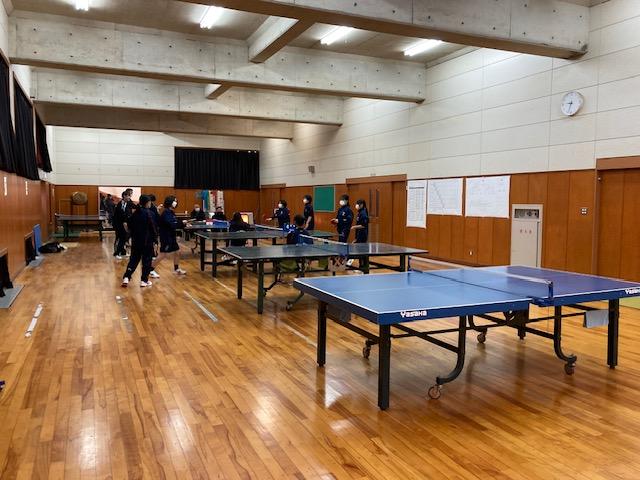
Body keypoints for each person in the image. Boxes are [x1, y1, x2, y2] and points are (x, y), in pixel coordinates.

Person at [121, 195, 157, 287]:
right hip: (147, 241)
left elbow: (128, 226)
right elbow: (153, 228)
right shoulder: (150, 214)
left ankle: (126, 277)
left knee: (133, 259)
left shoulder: (135, 213)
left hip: (136, 241)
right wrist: (155, 241)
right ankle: (144, 280)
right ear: (148, 203)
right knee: (146, 261)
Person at [152, 195, 187, 276]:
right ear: (170, 202)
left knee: (177, 252)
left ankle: (176, 269)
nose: (176, 202)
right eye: (174, 201)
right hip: (166, 237)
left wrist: (183, 224)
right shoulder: (166, 212)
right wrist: (182, 223)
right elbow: (171, 224)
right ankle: (150, 270)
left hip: (171, 236)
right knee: (163, 254)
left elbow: (175, 222)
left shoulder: (171, 212)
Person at [112, 190, 133, 259]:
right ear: (124, 196)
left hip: (125, 224)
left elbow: (128, 213)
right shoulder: (119, 204)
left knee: (123, 239)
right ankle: (116, 253)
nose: (129, 197)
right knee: (122, 239)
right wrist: (124, 223)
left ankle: (122, 252)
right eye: (128, 196)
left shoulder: (128, 204)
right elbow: (119, 216)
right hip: (119, 225)